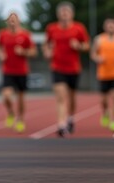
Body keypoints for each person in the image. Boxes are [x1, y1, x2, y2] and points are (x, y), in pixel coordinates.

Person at [42, 1, 90, 137]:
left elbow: (87, 45)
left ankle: (70, 118)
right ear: (58, 14)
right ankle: (61, 125)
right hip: (57, 67)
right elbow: (46, 44)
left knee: (72, 98)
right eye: (62, 12)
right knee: (61, 97)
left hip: (74, 68)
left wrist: (78, 46)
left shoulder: (78, 28)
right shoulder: (51, 28)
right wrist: (47, 52)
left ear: (71, 14)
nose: (64, 15)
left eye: (66, 12)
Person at [0, 12, 37, 133]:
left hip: (22, 71)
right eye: (10, 19)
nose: (12, 21)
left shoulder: (26, 35)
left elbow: (33, 52)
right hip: (8, 70)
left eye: (14, 19)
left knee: (21, 98)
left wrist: (24, 52)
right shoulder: (3, 35)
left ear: (19, 21)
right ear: (7, 22)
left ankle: (21, 119)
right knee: (6, 96)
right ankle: (11, 113)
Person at [90, 18, 114, 132]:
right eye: (108, 25)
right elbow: (93, 53)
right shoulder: (99, 39)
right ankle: (105, 113)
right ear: (105, 27)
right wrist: (97, 58)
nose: (111, 27)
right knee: (104, 100)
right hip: (103, 73)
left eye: (113, 25)